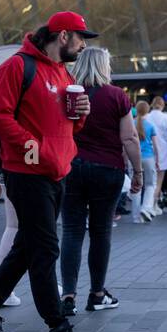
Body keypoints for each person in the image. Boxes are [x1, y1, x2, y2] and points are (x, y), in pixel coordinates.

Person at [0, 11, 98, 332]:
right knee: (44, 250)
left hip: (55, 170)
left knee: (26, 248)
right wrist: (31, 145)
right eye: (82, 37)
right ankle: (57, 327)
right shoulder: (16, 66)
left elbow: (69, 126)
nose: (84, 45)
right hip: (26, 172)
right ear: (63, 36)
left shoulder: (62, 72)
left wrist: (80, 113)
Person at [60, 46, 140, 316]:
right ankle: (97, 294)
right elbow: (129, 138)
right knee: (101, 231)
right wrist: (138, 172)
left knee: (71, 231)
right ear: (104, 66)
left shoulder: (67, 93)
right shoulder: (116, 95)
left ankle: (67, 296)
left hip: (70, 167)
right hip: (108, 169)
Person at [129, 101, 158, 224]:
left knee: (135, 186)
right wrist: (158, 160)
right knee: (150, 184)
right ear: (147, 111)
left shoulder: (131, 124)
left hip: (134, 158)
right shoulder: (151, 126)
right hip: (148, 157)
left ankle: (136, 217)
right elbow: (156, 145)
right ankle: (146, 208)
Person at [147, 96, 167, 216]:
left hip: (147, 151)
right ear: (163, 105)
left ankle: (146, 204)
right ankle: (153, 205)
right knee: (158, 181)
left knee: (148, 181)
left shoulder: (147, 117)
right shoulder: (166, 117)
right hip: (163, 151)